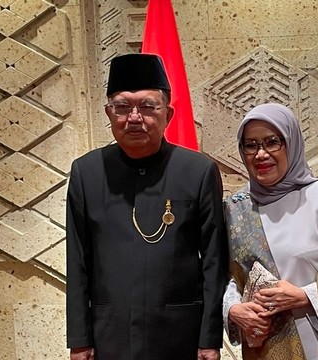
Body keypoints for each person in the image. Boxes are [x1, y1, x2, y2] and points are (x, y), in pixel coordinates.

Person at [66, 53, 228, 360]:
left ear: (168, 113)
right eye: (123, 106)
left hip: (180, 335)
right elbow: (77, 261)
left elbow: (214, 262)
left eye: (148, 106)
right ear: (108, 112)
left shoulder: (198, 171)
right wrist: (79, 339)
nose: (135, 117)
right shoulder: (86, 172)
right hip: (109, 335)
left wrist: (210, 339)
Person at [222, 103, 318, 360]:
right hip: (263, 347)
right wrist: (233, 309)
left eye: (272, 142)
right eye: (251, 145)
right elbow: (228, 278)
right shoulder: (236, 209)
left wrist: (304, 295)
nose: (261, 154)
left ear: (292, 143)